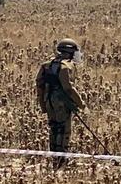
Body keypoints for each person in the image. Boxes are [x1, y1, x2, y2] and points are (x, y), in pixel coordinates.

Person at [35, 38, 85, 169]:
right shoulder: (66, 66)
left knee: (54, 129)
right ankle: (61, 161)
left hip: (48, 101)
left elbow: (39, 84)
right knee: (64, 130)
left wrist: (43, 104)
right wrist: (81, 104)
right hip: (62, 104)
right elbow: (68, 88)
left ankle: (55, 159)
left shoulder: (46, 65)